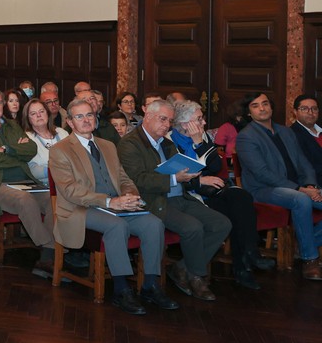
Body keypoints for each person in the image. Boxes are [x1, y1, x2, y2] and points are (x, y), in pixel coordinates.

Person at [49, 99, 177, 314]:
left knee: (153, 223)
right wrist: (108, 201)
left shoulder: (108, 145)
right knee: (117, 226)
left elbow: (123, 178)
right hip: (79, 209)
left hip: (114, 206)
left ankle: (151, 285)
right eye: (79, 116)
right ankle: (121, 290)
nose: (86, 120)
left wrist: (129, 195)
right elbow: (70, 191)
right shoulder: (60, 150)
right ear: (70, 122)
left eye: (89, 115)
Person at [118, 99, 232, 300]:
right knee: (193, 227)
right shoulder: (130, 144)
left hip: (181, 195)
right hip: (154, 200)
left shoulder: (167, 143)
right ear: (148, 116)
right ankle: (197, 276)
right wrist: (174, 178)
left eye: (170, 121)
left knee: (221, 223)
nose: (167, 125)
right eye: (163, 119)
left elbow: (181, 173)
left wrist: (191, 175)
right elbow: (138, 180)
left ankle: (182, 268)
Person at [169, 100, 272, 289]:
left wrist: (199, 142)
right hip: (189, 194)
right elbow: (172, 176)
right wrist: (199, 181)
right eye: (199, 119)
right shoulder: (170, 140)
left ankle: (249, 254)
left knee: (242, 198)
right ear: (185, 124)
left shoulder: (203, 137)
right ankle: (243, 267)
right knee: (234, 213)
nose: (204, 123)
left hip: (211, 190)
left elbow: (215, 166)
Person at [0, 86, 56, 278]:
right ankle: (52, 251)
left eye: (0, 102)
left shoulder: (11, 125)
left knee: (52, 199)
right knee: (25, 201)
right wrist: (16, 153)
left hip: (23, 180)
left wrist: (6, 149)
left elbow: (30, 149)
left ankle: (47, 258)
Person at [236, 92, 322, 280]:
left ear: (272, 107)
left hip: (298, 186)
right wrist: (301, 190)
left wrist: (309, 185)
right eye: (255, 105)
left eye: (265, 103)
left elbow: (303, 162)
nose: (262, 108)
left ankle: (306, 243)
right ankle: (310, 259)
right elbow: (262, 173)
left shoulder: (286, 131)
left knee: (307, 196)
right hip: (263, 190)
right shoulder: (246, 137)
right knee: (301, 200)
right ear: (249, 112)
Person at [22, 97, 68, 185]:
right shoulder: (27, 138)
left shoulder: (62, 133)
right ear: (28, 118)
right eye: (33, 113)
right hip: (45, 186)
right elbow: (32, 170)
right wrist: (56, 170)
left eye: (42, 111)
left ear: (47, 113)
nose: (39, 115)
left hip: (69, 182)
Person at [291, 95, 322, 178]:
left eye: (314, 108)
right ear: (295, 111)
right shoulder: (291, 134)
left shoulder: (320, 131)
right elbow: (305, 166)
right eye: (304, 109)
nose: (310, 112)